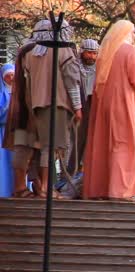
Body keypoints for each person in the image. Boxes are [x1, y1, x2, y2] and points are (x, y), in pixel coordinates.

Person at [83, 20, 135, 200]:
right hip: (124, 103)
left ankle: (102, 187)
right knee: (125, 144)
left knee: (106, 143)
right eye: (132, 32)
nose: (134, 36)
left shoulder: (106, 52)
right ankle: (120, 190)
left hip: (105, 104)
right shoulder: (129, 51)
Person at [22, 19, 82, 199]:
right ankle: (47, 187)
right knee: (53, 147)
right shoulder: (63, 51)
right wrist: (78, 107)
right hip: (57, 105)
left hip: (36, 106)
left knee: (41, 146)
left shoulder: (30, 54)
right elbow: (72, 81)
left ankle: (41, 184)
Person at [66, 38, 99, 177]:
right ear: (82, 52)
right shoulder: (75, 66)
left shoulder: (99, 67)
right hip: (79, 105)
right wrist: (78, 108)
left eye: (94, 53)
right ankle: (70, 171)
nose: (91, 56)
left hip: (94, 103)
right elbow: (73, 87)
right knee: (76, 140)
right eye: (88, 53)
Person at [0, 64, 15, 197]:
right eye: (7, 76)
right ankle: (4, 190)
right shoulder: (1, 94)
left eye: (12, 75)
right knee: (3, 163)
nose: (11, 78)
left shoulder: (20, 92)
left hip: (16, 132)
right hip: (3, 133)